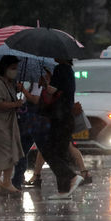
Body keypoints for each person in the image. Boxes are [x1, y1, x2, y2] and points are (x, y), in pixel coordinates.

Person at [35, 58, 84, 198]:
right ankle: (64, 190)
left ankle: (71, 176)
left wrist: (45, 84)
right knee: (61, 152)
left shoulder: (60, 69)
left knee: (48, 150)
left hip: (59, 118)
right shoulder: (69, 70)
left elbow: (52, 91)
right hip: (67, 117)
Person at [0, 55, 25, 196]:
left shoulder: (9, 83)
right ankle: (4, 183)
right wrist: (15, 104)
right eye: (12, 68)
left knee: (7, 153)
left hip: (8, 123)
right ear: (5, 68)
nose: (15, 71)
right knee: (6, 153)